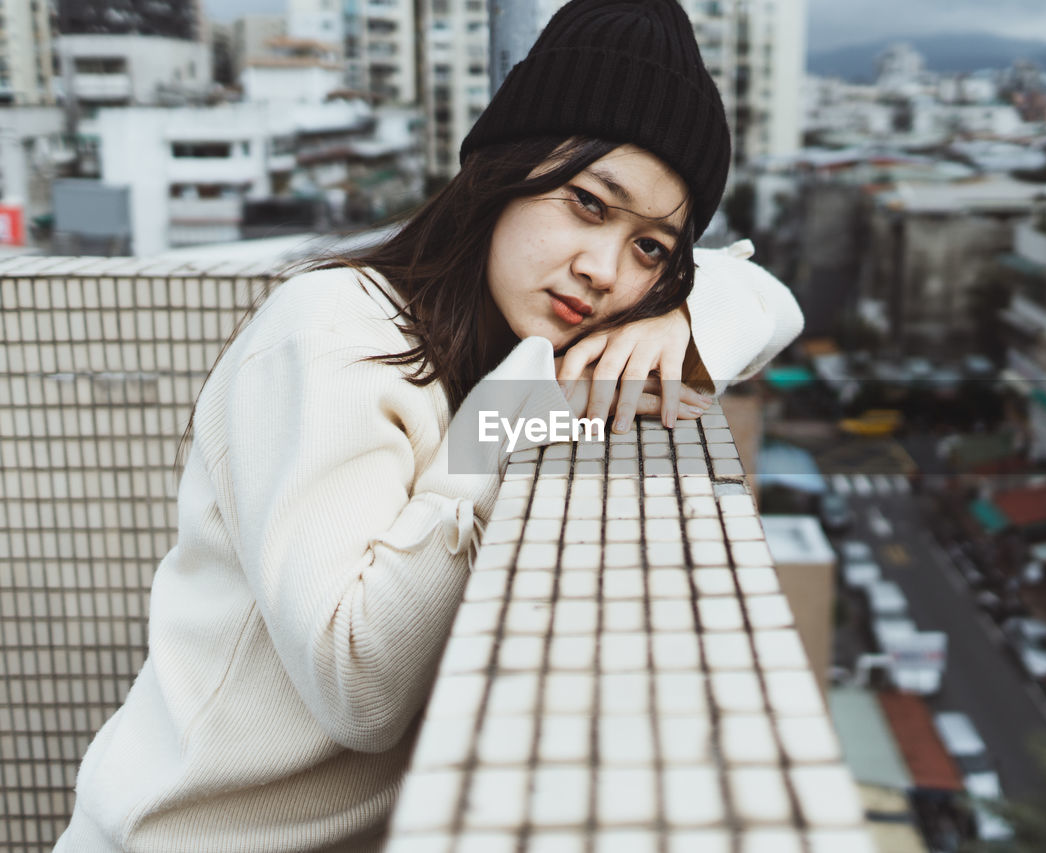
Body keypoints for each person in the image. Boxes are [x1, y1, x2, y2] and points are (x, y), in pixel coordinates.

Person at [54, 1, 802, 850]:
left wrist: (689, 319)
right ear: (504, 168)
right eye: (589, 204)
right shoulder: (335, 329)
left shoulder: (522, 338)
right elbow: (358, 684)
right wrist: (506, 419)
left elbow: (771, 298)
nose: (603, 271)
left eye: (653, 250)